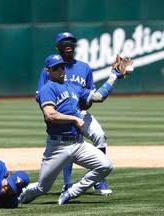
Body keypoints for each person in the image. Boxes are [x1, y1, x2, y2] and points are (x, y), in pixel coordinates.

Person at [19, 54, 132, 205]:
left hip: (78, 144)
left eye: (62, 67)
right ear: (48, 71)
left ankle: (71, 192)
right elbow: (50, 115)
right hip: (57, 147)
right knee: (42, 188)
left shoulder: (74, 87)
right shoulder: (48, 88)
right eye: (56, 68)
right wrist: (74, 119)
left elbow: (98, 97)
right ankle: (16, 198)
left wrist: (113, 77)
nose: (60, 70)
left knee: (105, 166)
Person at [36, 32, 112, 195]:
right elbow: (40, 95)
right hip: (60, 113)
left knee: (100, 135)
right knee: (67, 144)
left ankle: (99, 181)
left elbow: (92, 96)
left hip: (80, 112)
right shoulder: (48, 70)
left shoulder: (84, 67)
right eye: (64, 43)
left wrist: (113, 78)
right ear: (58, 47)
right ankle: (67, 183)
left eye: (71, 42)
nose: (68, 45)